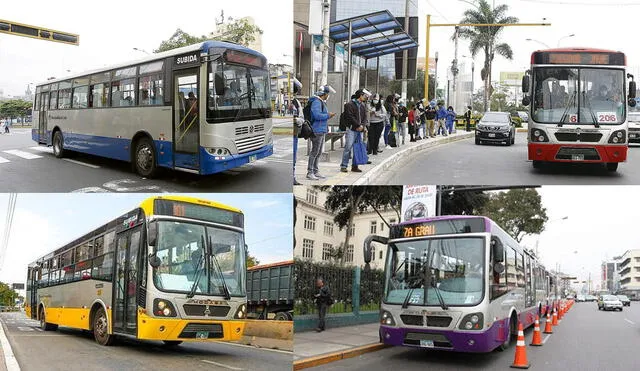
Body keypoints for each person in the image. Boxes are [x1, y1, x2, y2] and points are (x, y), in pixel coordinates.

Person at [307, 85, 336, 180]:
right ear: (324, 94)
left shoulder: (320, 102)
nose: (328, 96)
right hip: (316, 130)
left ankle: (315, 170)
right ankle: (310, 172)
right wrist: (328, 115)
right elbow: (317, 115)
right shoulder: (316, 102)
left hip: (321, 130)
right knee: (315, 152)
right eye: (328, 94)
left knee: (318, 152)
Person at [340, 89, 369, 172]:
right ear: (360, 95)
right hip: (351, 129)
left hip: (359, 130)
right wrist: (358, 125)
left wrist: (362, 126)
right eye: (364, 95)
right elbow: (349, 116)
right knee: (348, 147)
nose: (365, 97)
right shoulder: (349, 105)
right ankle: (344, 165)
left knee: (357, 148)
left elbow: (364, 117)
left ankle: (355, 166)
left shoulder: (362, 105)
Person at [292, 78, 303, 185]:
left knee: (294, 158)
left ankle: (293, 177)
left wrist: (296, 120)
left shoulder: (296, 102)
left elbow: (301, 119)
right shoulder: (281, 101)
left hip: (294, 133)